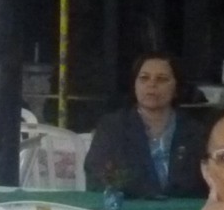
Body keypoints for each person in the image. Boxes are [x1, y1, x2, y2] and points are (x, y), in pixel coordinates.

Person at [84, 52, 209, 198]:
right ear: (135, 85)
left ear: (177, 88)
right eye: (144, 78)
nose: (152, 84)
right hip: (130, 208)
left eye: (161, 79)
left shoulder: (196, 131)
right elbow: (97, 176)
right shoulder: (112, 127)